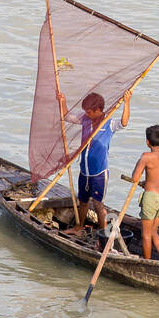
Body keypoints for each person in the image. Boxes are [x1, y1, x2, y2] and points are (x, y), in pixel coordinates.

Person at [58, 88, 130, 236]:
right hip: (84, 171)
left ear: (98, 110)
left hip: (99, 173)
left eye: (89, 112)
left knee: (98, 204)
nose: (86, 114)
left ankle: (104, 233)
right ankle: (79, 227)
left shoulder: (109, 123)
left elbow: (123, 123)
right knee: (83, 201)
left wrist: (127, 102)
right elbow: (67, 117)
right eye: (85, 111)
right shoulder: (85, 119)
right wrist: (62, 102)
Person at [131, 125, 159, 259]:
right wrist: (154, 181)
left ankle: (147, 261)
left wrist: (141, 162)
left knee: (146, 233)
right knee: (153, 230)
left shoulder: (146, 157)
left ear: (147, 142)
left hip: (151, 197)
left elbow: (134, 178)